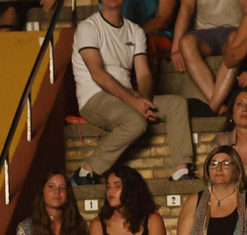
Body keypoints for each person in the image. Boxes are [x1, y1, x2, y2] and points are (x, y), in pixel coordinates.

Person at [69, 0, 193, 187]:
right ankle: (86, 172)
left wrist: (143, 99)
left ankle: (181, 171)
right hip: (95, 97)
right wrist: (134, 103)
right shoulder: (88, 27)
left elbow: (143, 74)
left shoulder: (135, 31)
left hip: (127, 96)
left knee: (177, 104)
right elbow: (98, 74)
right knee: (135, 121)